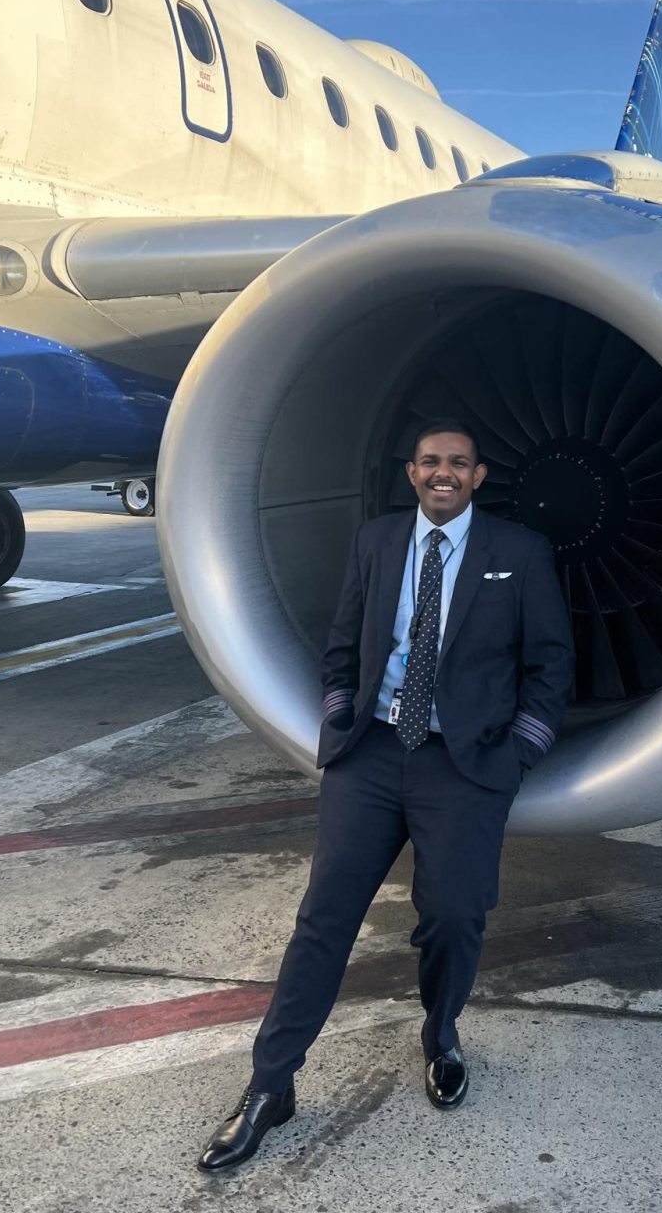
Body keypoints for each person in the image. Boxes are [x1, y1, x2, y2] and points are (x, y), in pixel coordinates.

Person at [198, 419, 576, 1171]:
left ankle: (440, 1034)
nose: (443, 473)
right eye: (431, 462)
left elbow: (553, 664)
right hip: (370, 755)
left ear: (478, 475)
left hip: (462, 766)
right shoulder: (376, 543)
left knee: (454, 918)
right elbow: (342, 645)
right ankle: (271, 1086)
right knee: (322, 920)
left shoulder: (518, 553)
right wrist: (341, 716)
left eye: (458, 463)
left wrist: (517, 757)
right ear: (411, 473)